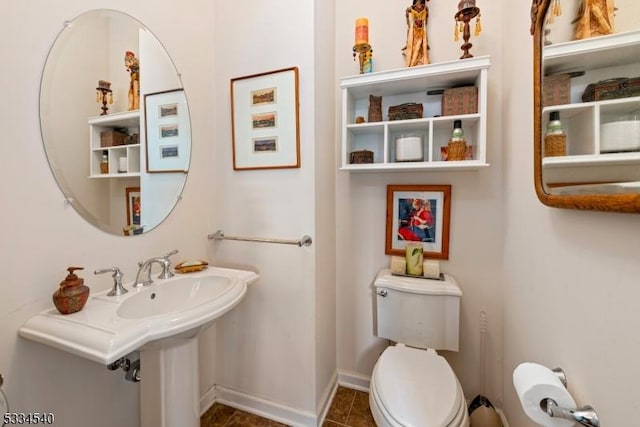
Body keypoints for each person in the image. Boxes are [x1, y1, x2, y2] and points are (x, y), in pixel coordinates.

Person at [403, 0, 430, 67]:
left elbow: (427, 14)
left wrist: (425, 22)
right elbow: (407, 11)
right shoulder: (412, 8)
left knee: (422, 45)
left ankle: (420, 60)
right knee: (413, 44)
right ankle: (412, 61)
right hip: (414, 29)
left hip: (421, 30)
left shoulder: (424, 8)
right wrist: (408, 24)